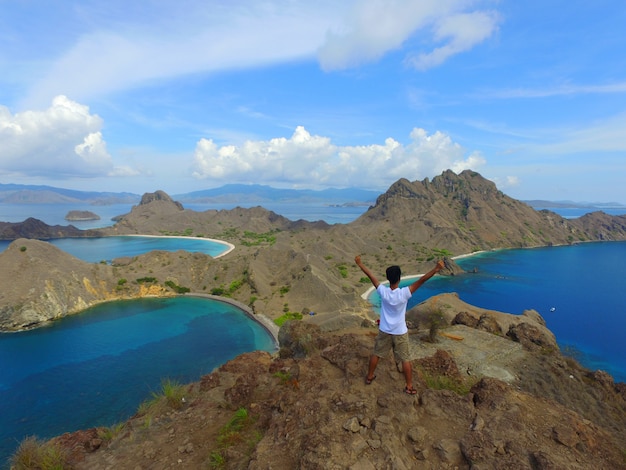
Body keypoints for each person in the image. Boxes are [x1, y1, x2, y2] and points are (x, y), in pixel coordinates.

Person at [355, 255, 445, 395]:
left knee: (377, 354)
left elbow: (371, 276)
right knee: (405, 359)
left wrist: (360, 264)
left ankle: (369, 376)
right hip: (400, 332)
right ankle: (409, 386)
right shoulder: (404, 293)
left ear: (388, 278)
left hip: (384, 330)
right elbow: (422, 280)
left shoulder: (383, 292)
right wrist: (436, 269)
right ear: (399, 278)